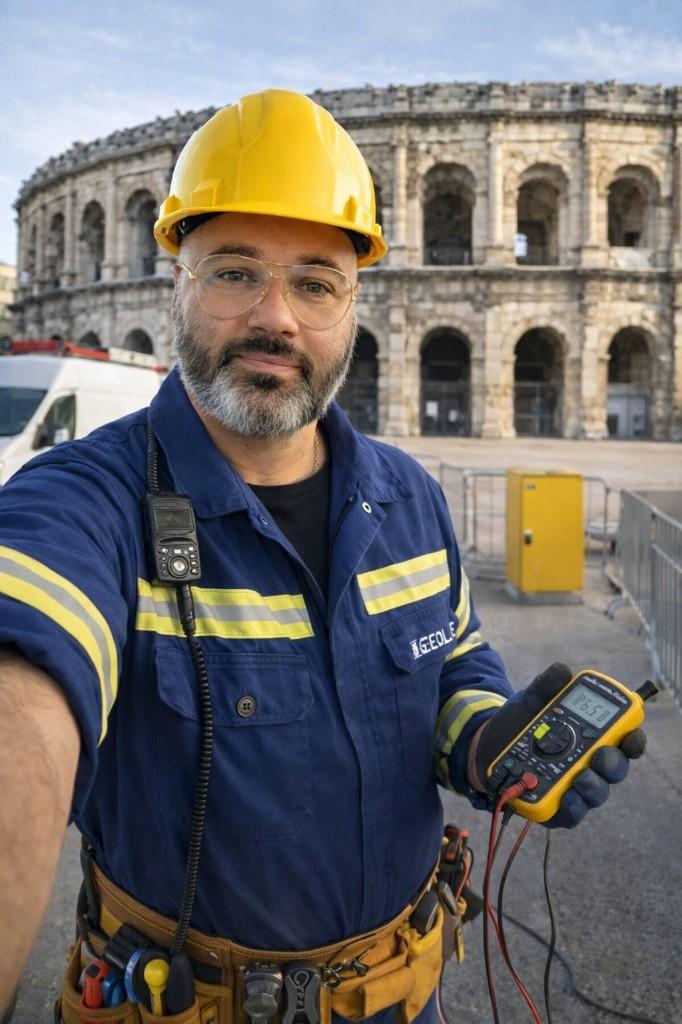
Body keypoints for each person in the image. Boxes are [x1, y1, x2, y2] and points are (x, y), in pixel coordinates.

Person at [0, 89, 643, 1024]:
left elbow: (452, 655)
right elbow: (25, 682)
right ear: (172, 279)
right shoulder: (84, 500)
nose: (277, 318)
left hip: (402, 997)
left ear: (354, 303)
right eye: (233, 272)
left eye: (314, 281)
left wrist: (483, 739)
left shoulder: (409, 495)